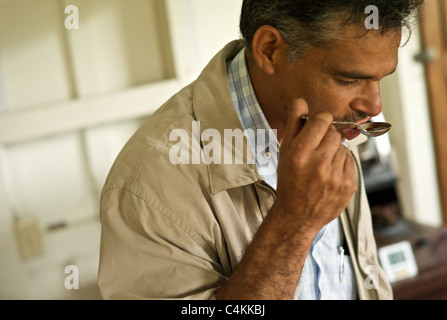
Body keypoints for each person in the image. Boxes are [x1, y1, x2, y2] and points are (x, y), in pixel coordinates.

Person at [98, 0, 424, 300]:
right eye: (348, 80)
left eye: (382, 78)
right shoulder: (148, 184)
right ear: (269, 50)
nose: (374, 105)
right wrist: (293, 225)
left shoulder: (334, 120)